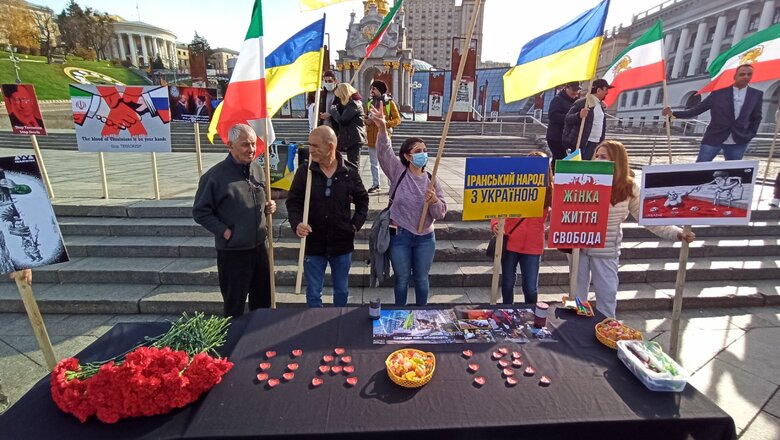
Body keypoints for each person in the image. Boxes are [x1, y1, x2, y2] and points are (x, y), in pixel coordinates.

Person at [571, 140, 696, 318]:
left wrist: (677, 233)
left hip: (606, 250)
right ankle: (577, 333)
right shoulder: (584, 181)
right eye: (596, 156)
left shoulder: (629, 187)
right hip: (578, 248)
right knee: (577, 299)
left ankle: (607, 333)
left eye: (603, 157)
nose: (598, 159)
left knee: (607, 296)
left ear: (617, 160)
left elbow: (649, 219)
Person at [192, 123, 276, 318]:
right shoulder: (214, 177)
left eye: (254, 144)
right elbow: (200, 212)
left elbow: (256, 197)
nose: (252, 149)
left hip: (259, 248)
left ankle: (258, 340)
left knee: (263, 302)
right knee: (234, 305)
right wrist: (225, 231)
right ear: (230, 145)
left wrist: (268, 206)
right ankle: (233, 343)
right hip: (233, 253)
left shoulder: (257, 169)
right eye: (246, 145)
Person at [369, 105, 447, 306]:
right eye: (418, 151)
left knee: (421, 279)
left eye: (425, 151)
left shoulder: (432, 180)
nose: (423, 154)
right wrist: (382, 129)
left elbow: (440, 213)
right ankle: (399, 313)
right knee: (402, 279)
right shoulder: (398, 172)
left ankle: (422, 314)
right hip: (400, 235)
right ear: (407, 156)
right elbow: (384, 152)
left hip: (425, 238)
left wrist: (434, 202)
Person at [286, 125, 369, 308]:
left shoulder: (349, 172)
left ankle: (338, 324)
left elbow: (363, 201)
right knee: (314, 293)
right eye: (309, 145)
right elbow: (293, 202)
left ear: (331, 147)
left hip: (342, 244)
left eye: (315, 146)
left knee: (342, 291)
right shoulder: (305, 172)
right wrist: (297, 223)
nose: (311, 150)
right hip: (313, 243)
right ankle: (317, 329)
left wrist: (354, 226)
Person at [662, 64, 763, 162]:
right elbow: (696, 110)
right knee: (701, 168)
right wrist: (672, 114)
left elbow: (756, 117)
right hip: (714, 137)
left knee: (733, 171)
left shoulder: (756, 94)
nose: (746, 77)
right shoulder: (719, 93)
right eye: (742, 74)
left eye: (749, 74)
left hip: (739, 140)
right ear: (735, 76)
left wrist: (751, 134)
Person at [490, 151, 553, 305]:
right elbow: (496, 206)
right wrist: (495, 224)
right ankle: (507, 311)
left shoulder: (551, 189)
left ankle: (532, 314)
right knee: (507, 283)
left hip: (532, 246)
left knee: (530, 287)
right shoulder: (513, 184)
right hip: (511, 241)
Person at [562, 79, 613, 160]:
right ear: (598, 90)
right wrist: (579, 115)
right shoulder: (583, 103)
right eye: (605, 89)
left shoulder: (600, 105)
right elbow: (568, 119)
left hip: (595, 143)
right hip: (583, 143)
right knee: (578, 168)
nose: (607, 92)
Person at [365, 80, 401, 193]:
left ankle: (392, 184)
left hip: (384, 137)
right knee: (373, 163)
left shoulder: (389, 103)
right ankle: (376, 184)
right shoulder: (369, 102)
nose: (372, 90)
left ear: (380, 90)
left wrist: (385, 124)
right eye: (371, 88)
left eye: (374, 88)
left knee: (388, 161)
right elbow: (365, 117)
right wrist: (367, 121)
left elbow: (397, 119)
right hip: (371, 137)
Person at [328, 83, 367, 169]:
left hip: (354, 138)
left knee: (353, 165)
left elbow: (343, 120)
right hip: (350, 137)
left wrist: (334, 111)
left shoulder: (354, 104)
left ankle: (356, 182)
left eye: (339, 96)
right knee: (350, 164)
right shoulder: (349, 104)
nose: (338, 98)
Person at [546, 82, 580, 163]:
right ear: (567, 88)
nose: (575, 93)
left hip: (568, 137)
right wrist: (571, 118)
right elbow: (553, 115)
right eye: (573, 90)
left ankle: (553, 173)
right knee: (559, 158)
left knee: (560, 159)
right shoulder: (557, 99)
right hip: (556, 136)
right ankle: (553, 174)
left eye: (577, 90)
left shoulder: (576, 102)